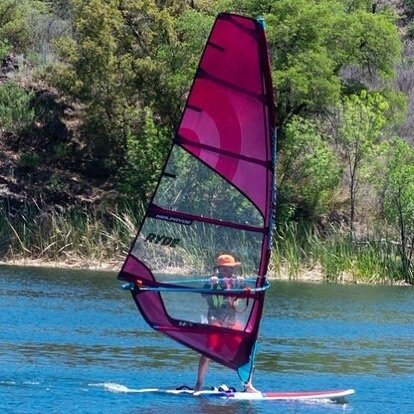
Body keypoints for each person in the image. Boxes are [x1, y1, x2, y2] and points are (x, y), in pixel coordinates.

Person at [194, 254, 259, 393]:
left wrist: (245, 285)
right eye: (228, 269)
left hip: (229, 322)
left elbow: (252, 289)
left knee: (247, 348)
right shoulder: (213, 280)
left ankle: (248, 385)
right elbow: (203, 294)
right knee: (209, 349)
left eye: (232, 269)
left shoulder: (236, 280)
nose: (231, 271)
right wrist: (210, 284)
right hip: (215, 320)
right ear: (220, 269)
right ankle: (198, 384)